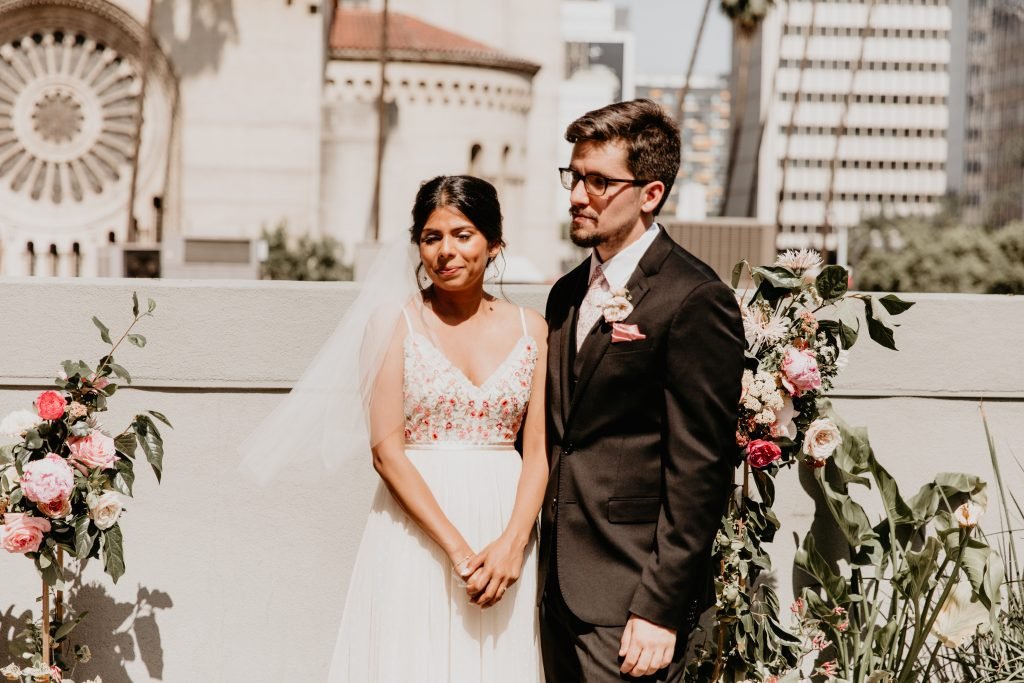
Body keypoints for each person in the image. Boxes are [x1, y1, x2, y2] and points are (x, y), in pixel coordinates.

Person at [539, 99, 745, 681]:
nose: (578, 195)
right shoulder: (566, 293)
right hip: (554, 590)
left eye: (599, 181)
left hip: (631, 601)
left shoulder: (694, 297)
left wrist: (659, 607)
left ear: (650, 193)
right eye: (574, 176)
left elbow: (701, 467)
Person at [322, 176, 549, 681]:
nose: (446, 251)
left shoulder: (532, 329)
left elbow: (538, 451)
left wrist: (512, 545)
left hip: (503, 527)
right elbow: (386, 453)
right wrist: (460, 553)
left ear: (494, 245)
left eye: (462, 235)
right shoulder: (393, 323)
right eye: (431, 237)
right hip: (418, 534)